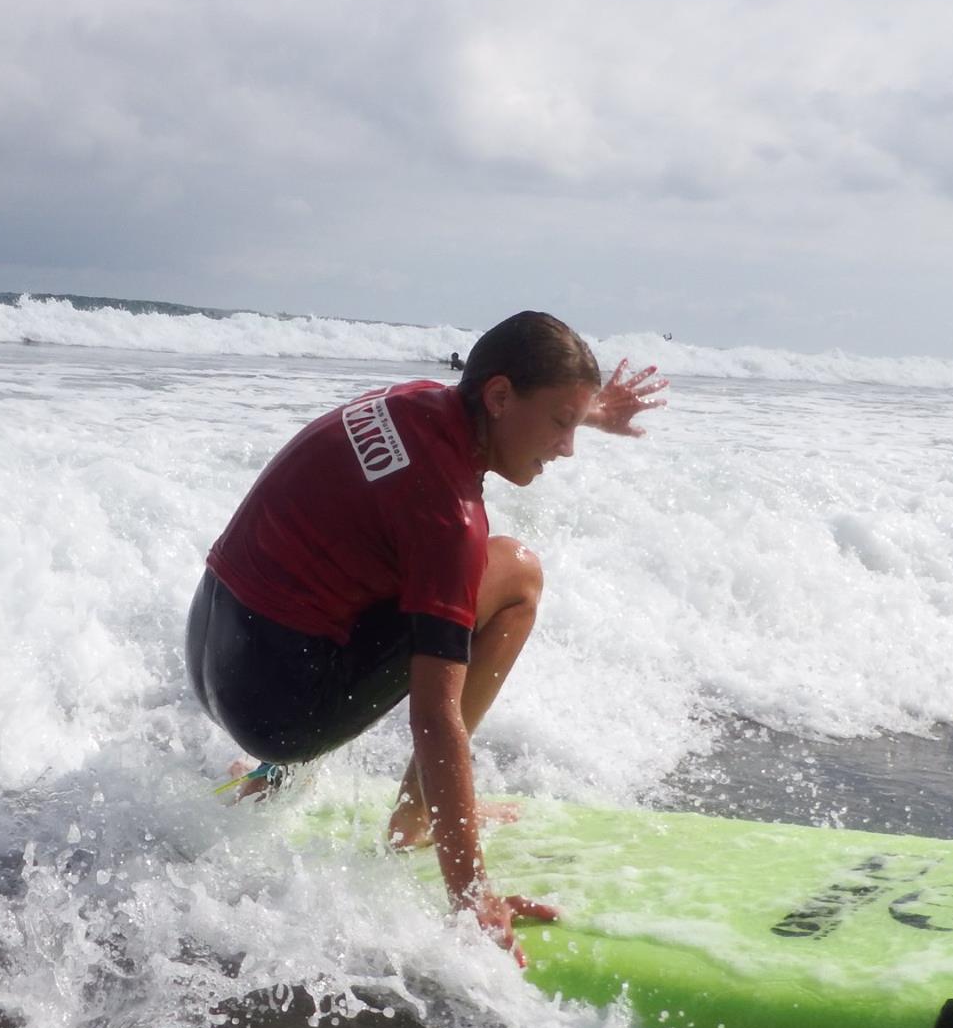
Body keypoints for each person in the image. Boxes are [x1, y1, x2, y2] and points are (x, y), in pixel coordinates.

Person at [186, 311, 668, 961]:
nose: (567, 447)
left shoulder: (412, 402)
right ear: (499, 397)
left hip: (214, 650)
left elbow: (346, 566)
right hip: (281, 709)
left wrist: (586, 408)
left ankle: (273, 780)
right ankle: (412, 818)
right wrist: (473, 894)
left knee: (358, 573)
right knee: (516, 574)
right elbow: (433, 717)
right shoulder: (448, 518)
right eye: (560, 422)